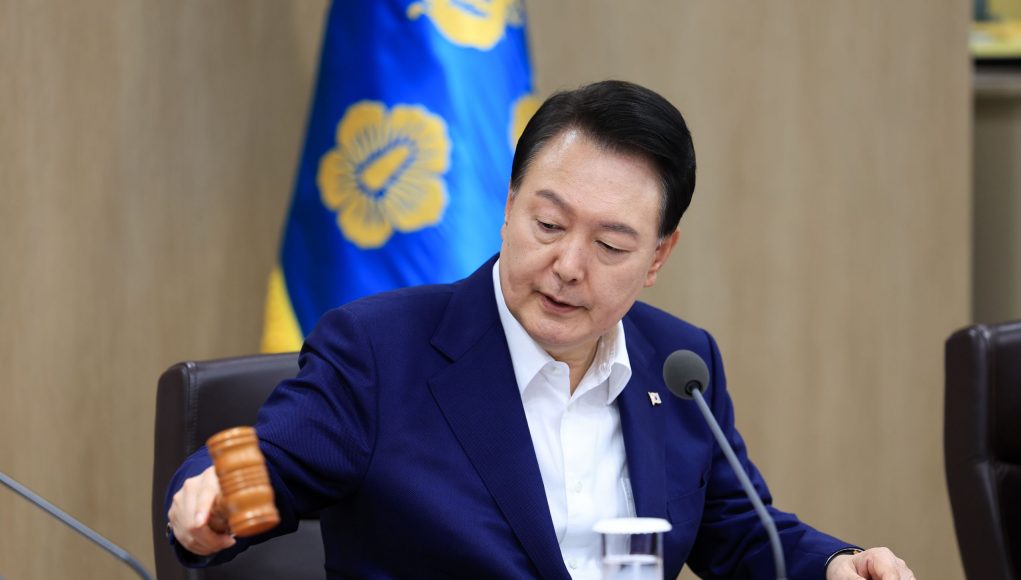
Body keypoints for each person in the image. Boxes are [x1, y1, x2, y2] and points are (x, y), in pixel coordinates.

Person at [167, 80, 915, 579]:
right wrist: (213, 496)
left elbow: (738, 529)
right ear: (509, 206)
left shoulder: (679, 363)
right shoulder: (381, 349)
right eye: (548, 225)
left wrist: (832, 566)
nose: (567, 266)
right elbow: (272, 460)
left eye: (611, 245)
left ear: (657, 258)